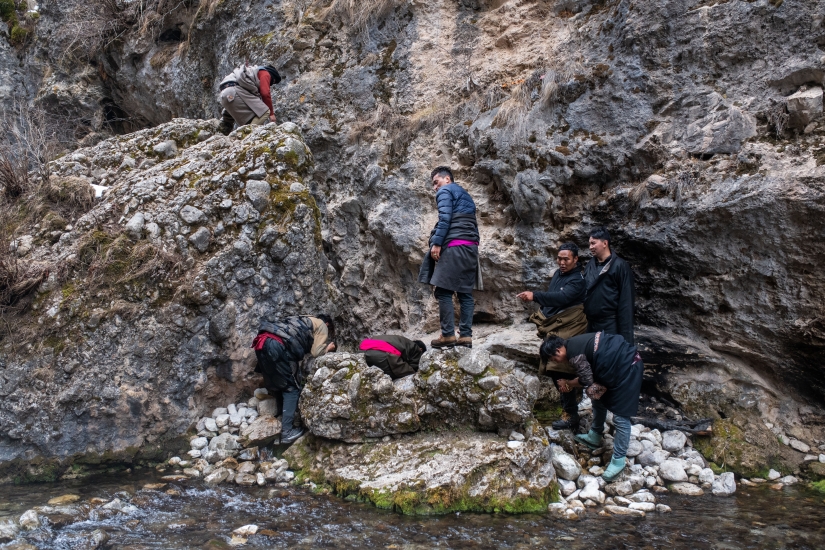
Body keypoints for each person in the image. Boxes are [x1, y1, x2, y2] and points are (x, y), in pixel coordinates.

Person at [540, 332, 643, 482]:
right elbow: (591, 378)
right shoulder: (574, 344)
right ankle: (595, 434)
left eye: (553, 359)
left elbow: (587, 380)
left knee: (620, 416)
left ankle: (618, 460)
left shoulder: (574, 355)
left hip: (627, 368)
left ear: (558, 350)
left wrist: (568, 383)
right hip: (615, 366)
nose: (555, 362)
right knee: (596, 395)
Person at [517, 242, 587, 432]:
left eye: (566, 259)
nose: (562, 263)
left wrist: (535, 296)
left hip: (571, 325)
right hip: (557, 324)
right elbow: (554, 296)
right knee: (555, 367)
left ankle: (571, 415)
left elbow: (562, 298)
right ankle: (569, 412)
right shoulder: (558, 274)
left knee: (562, 368)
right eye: (559, 259)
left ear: (575, 259)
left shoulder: (577, 280)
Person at [418, 166, 482, 349]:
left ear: (447, 179)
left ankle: (447, 335)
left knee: (443, 291)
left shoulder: (445, 191)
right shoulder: (465, 195)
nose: (435, 188)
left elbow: (445, 218)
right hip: (471, 248)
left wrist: (437, 243)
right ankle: (466, 336)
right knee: (465, 293)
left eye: (436, 182)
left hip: (455, 246)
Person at [251, 314, 336, 444]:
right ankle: (287, 432)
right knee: (292, 389)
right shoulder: (321, 324)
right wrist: (328, 348)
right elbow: (316, 352)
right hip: (277, 346)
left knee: (278, 382)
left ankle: (281, 416)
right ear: (327, 324)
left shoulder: (302, 318)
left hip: (261, 342)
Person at [583, 226, 635, 345]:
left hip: (610, 324)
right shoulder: (590, 264)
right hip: (591, 323)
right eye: (589, 244)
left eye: (593, 243)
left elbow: (626, 303)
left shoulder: (620, 266)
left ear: (605, 243)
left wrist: (627, 341)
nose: (590, 247)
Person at [218, 63, 282, 135]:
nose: (269, 84)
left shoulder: (251, 74)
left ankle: (222, 131)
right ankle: (248, 135)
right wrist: (271, 114)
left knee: (252, 117)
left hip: (224, 94)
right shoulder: (265, 73)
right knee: (264, 112)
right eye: (271, 82)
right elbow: (265, 93)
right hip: (235, 90)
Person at [359, 335, 427, 380]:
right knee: (409, 374)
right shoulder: (415, 348)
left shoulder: (399, 340)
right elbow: (415, 368)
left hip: (361, 351)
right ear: (421, 349)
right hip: (381, 355)